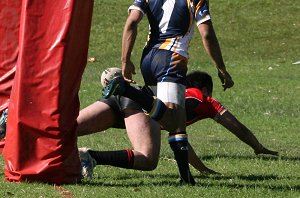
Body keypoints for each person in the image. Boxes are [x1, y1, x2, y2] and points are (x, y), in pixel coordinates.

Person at [102, 0, 234, 185]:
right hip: (171, 60)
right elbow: (207, 33)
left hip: (148, 59)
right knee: (173, 122)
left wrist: (125, 61)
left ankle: (186, 177)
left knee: (175, 120)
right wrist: (221, 68)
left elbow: (132, 22)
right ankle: (128, 91)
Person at [78, 70, 277, 180]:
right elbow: (236, 126)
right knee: (147, 159)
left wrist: (203, 168)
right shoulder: (200, 98)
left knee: (65, 128)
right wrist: (257, 147)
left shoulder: (174, 90)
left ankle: (58, 159)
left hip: (121, 99)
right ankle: (91, 157)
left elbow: (180, 141)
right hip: (137, 105)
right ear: (205, 89)